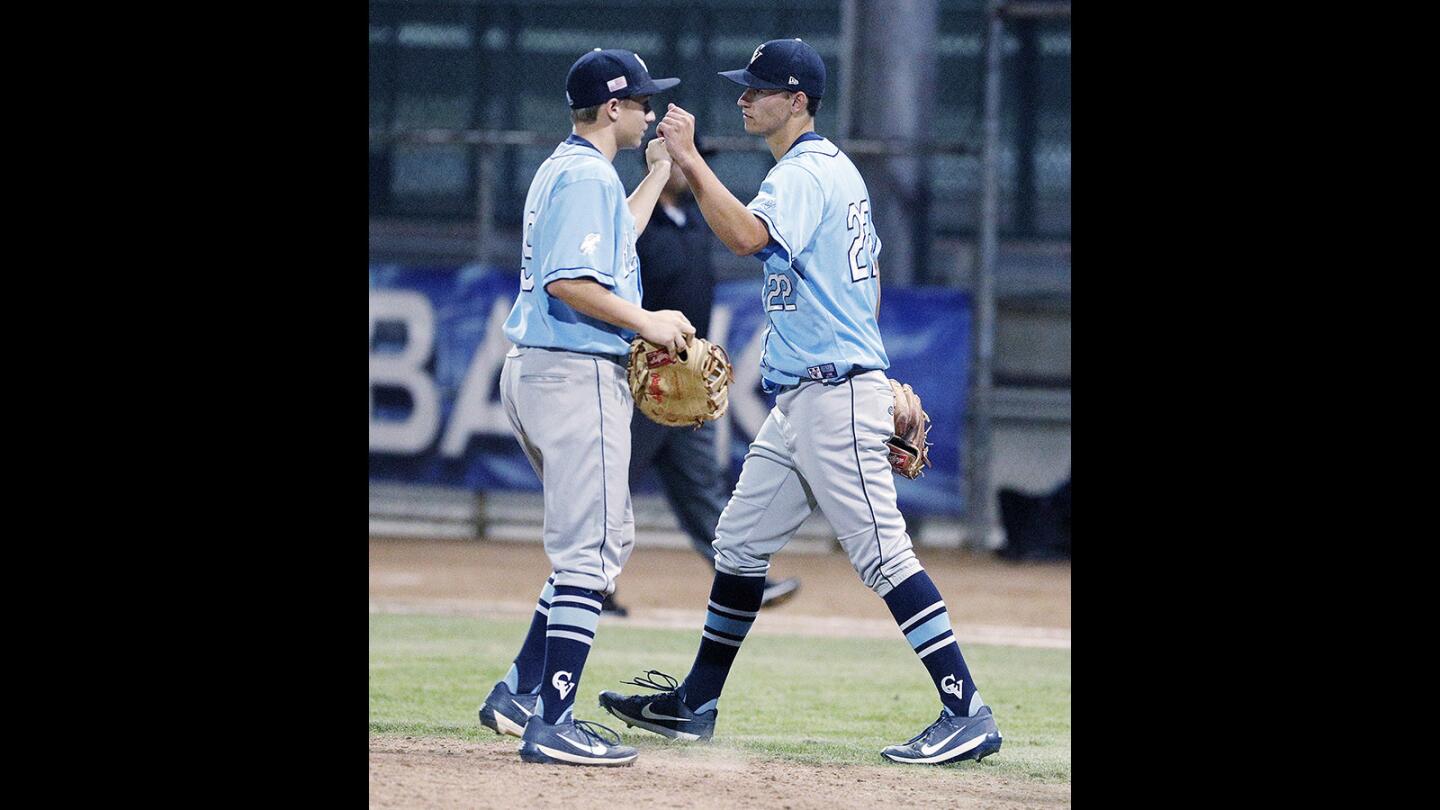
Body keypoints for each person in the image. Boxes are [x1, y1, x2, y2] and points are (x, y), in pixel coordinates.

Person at [596, 38, 1002, 766]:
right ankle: (697, 703)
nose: (745, 97)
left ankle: (966, 710)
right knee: (740, 544)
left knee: (883, 555)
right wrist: (873, 367)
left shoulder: (807, 171)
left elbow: (748, 236)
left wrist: (689, 160)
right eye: (744, 88)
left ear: (798, 100)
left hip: (832, 393)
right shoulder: (829, 171)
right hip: (809, 396)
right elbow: (867, 284)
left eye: (758, 89)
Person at [475, 48, 691, 767]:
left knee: (599, 543)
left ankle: (518, 691)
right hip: (572, 376)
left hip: (542, 373)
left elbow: (607, 248)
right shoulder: (586, 175)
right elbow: (571, 282)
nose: (650, 112)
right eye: (641, 103)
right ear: (612, 110)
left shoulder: (570, 169)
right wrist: (648, 321)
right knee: (589, 551)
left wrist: (659, 172)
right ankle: (555, 720)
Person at [601, 133, 801, 618]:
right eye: (686, 162)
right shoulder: (639, 225)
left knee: (702, 490)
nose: (694, 170)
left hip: (685, 382)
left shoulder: (692, 222)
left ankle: (741, 583)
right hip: (643, 382)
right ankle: (590, 586)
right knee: (608, 485)